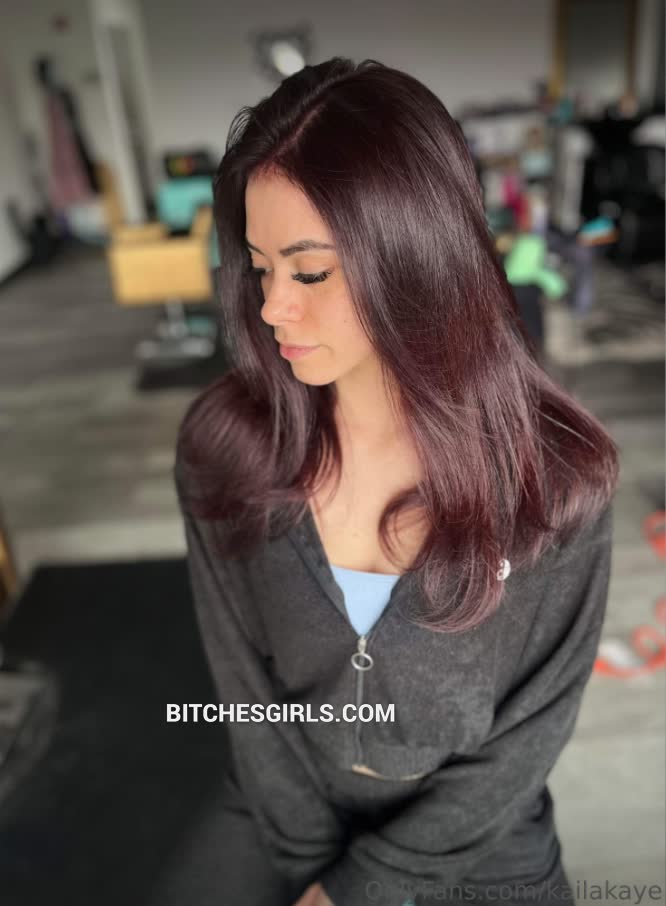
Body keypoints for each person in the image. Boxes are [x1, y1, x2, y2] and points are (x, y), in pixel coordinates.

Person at [157, 58, 619, 906]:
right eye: (259, 267)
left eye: (309, 272)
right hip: (286, 810)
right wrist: (310, 868)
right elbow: (246, 694)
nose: (272, 307)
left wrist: (362, 888)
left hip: (477, 841)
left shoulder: (554, 481)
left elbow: (530, 732)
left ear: (416, 258)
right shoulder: (225, 450)